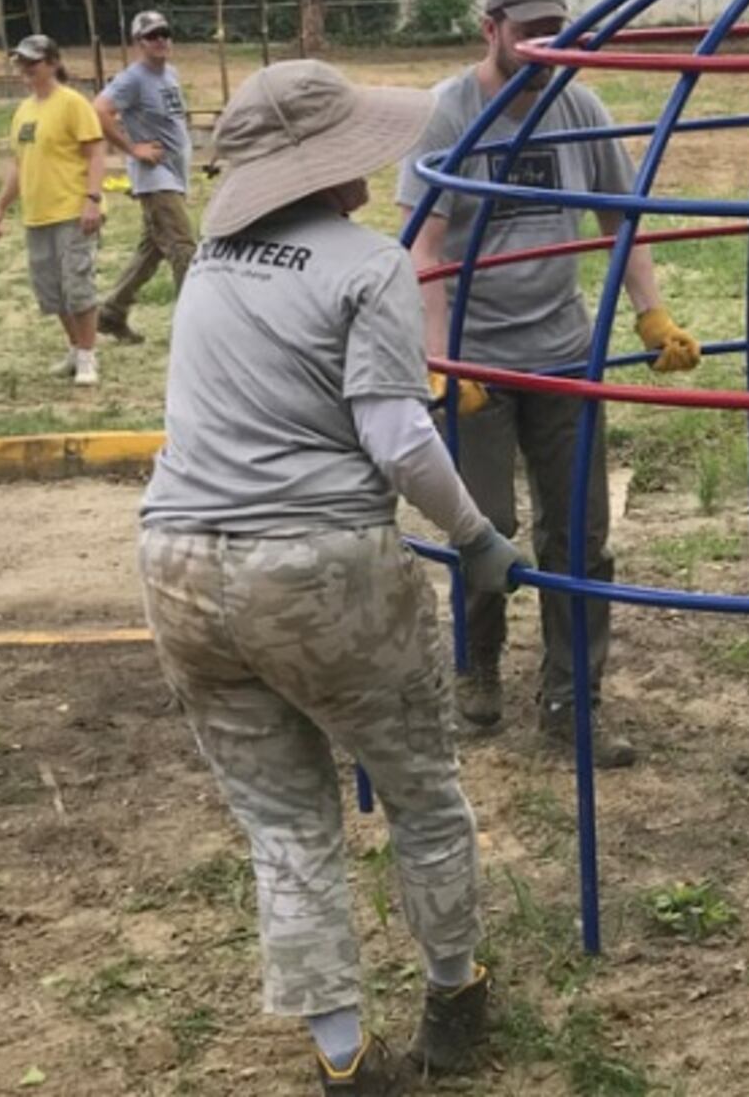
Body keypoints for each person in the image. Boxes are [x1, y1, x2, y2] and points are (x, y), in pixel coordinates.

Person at [139, 59, 532, 1094]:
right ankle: (454, 996)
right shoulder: (367, 264)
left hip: (178, 563)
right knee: (421, 791)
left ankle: (343, 1054)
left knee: (284, 823)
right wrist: (479, 535)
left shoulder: (216, 262)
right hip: (314, 568)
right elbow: (400, 436)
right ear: (332, 164)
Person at [401, 0, 702, 766]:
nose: (545, 47)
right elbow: (422, 246)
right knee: (485, 525)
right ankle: (480, 663)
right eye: (529, 30)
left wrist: (650, 311)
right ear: (489, 28)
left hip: (564, 353)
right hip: (479, 364)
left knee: (582, 537)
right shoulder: (449, 113)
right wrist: (441, 361)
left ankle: (573, 701)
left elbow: (621, 220)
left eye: (557, 30)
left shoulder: (581, 109)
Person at [0, 35, 108, 386]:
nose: (25, 69)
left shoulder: (72, 103)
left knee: (77, 285)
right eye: (21, 63)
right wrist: (0, 207)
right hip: (38, 213)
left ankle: (88, 356)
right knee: (51, 291)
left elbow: (96, 152)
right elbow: (18, 163)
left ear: (53, 63)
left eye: (32, 62)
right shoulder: (24, 111)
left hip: (71, 209)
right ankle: (74, 348)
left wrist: (93, 199)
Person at [95, 10, 197, 345]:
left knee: (151, 251)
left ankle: (111, 314)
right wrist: (131, 148)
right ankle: (191, 329)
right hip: (156, 179)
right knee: (184, 249)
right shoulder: (132, 78)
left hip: (174, 175)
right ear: (138, 43)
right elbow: (99, 110)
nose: (161, 41)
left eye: (165, 33)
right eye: (152, 36)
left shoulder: (171, 74)